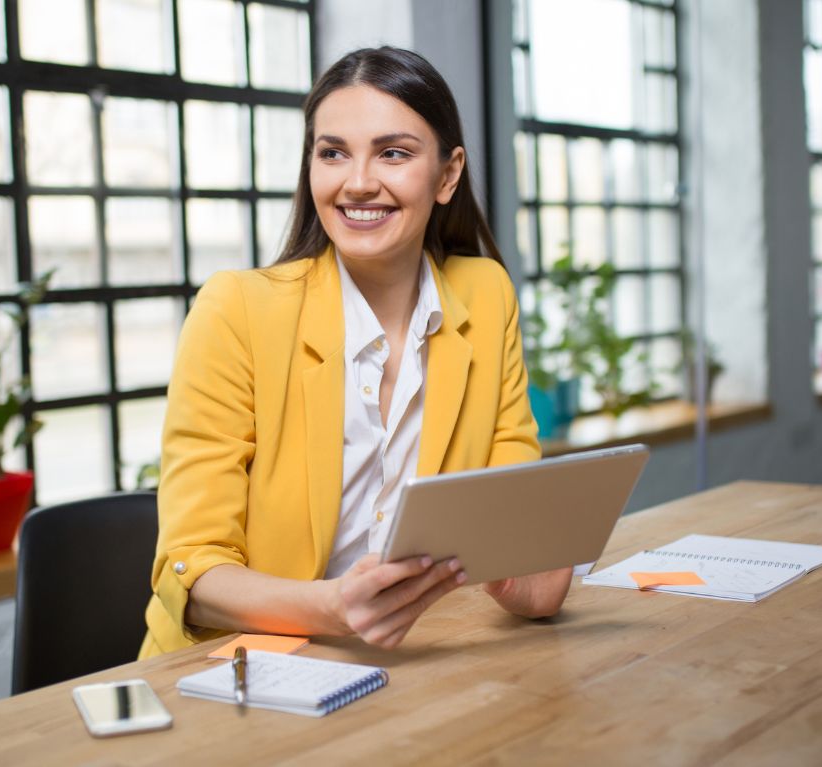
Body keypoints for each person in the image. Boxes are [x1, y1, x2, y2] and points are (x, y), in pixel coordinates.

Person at [140, 46, 572, 658]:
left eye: (393, 153)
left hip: (409, 665)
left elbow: (522, 548)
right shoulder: (236, 310)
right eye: (333, 152)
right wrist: (335, 607)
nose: (358, 181)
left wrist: (520, 566)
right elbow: (191, 571)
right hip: (233, 671)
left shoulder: (486, 295)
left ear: (448, 175)